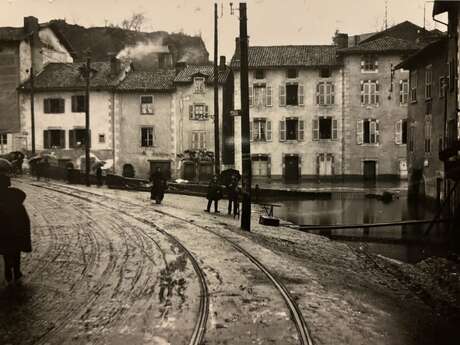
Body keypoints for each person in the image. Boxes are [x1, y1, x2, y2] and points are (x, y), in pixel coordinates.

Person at [0, 174, 31, 283]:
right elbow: (23, 195)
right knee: (16, 249)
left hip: (3, 228)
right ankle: (17, 271)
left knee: (6, 250)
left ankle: (8, 270)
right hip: (16, 226)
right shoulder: (15, 193)